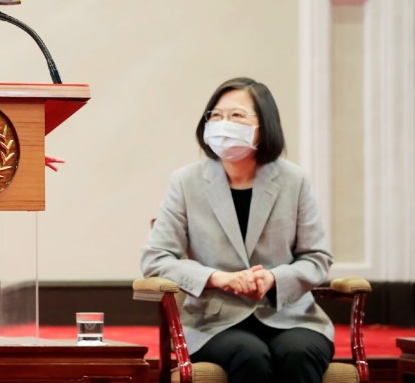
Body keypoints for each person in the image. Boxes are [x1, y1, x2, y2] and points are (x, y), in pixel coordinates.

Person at [140, 77, 334, 383]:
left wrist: (273, 278)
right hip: (214, 322)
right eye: (215, 116)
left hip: (290, 315)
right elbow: (156, 259)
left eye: (236, 116)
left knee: (299, 352)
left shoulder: (294, 181)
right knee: (249, 354)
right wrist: (217, 278)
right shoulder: (186, 182)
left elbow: (317, 259)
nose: (222, 124)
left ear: (264, 124)